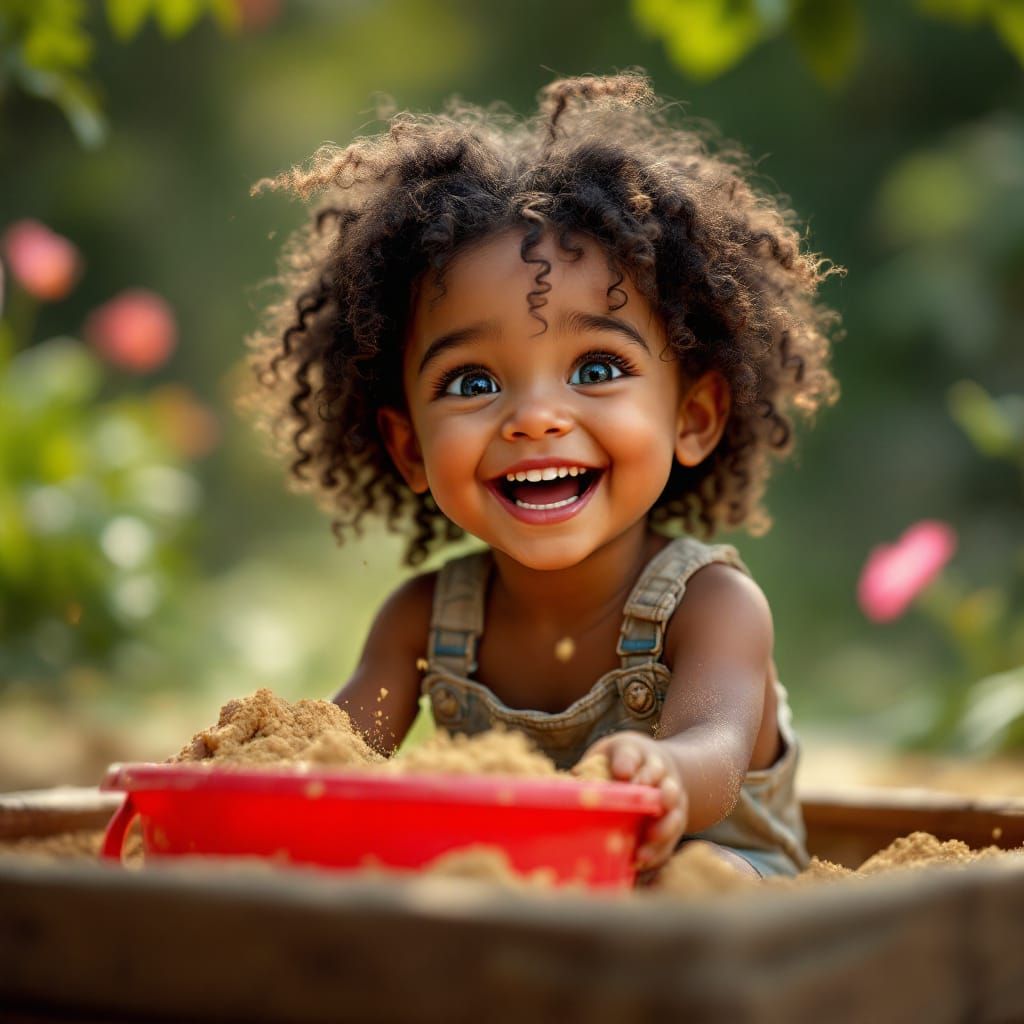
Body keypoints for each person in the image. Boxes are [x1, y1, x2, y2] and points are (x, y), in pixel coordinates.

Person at [246, 72, 841, 879]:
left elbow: (718, 751)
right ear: (411, 450)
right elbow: (342, 750)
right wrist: (268, 774)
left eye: (597, 366)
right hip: (531, 896)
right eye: (473, 383)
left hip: (711, 880)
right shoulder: (422, 625)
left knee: (683, 887)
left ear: (692, 418)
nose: (535, 417)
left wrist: (666, 776)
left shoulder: (713, 607)